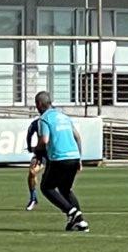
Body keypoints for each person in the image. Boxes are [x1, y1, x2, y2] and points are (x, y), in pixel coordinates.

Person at [32, 91, 89, 232]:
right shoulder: (64, 116)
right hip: (74, 156)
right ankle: (80, 222)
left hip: (59, 158)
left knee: (46, 187)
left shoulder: (44, 119)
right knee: (65, 189)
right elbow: (77, 137)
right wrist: (79, 158)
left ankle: (71, 212)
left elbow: (44, 140)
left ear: (39, 104)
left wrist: (35, 149)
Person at [23, 117, 45, 210]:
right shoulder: (37, 123)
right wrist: (29, 146)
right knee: (32, 172)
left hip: (55, 154)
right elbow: (29, 134)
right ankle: (33, 198)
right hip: (42, 155)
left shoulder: (55, 122)